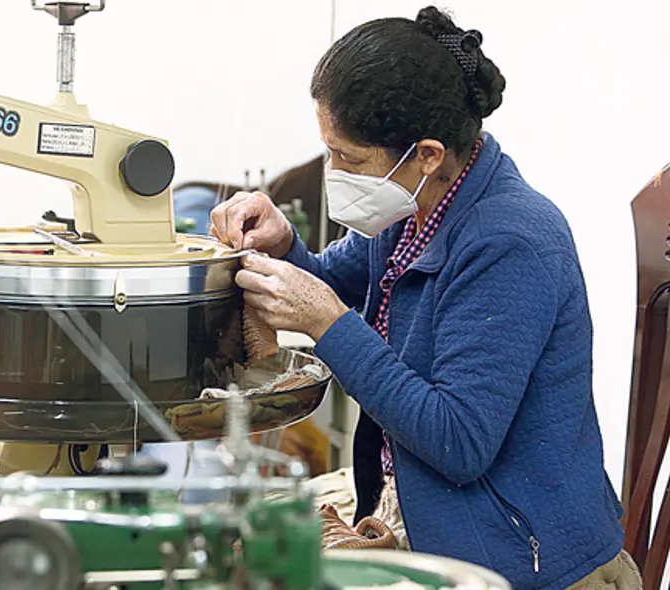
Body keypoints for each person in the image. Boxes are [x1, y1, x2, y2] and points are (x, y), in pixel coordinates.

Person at [210, 7, 639, 590]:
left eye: (349, 159)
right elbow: (335, 278)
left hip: (524, 560)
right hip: (429, 514)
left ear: (427, 154)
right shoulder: (417, 203)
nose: (334, 172)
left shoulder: (511, 242)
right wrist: (285, 244)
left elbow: (458, 440)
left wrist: (327, 324)